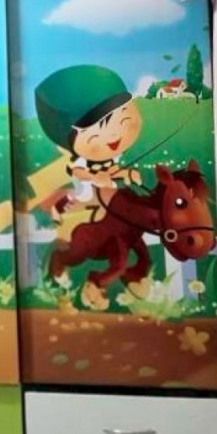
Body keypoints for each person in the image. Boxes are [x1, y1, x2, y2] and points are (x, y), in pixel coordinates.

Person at [35, 65, 144, 310]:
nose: (115, 133)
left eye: (123, 117)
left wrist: (126, 173)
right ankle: (64, 211)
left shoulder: (113, 155)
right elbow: (79, 172)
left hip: (107, 186)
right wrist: (96, 178)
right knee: (83, 194)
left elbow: (114, 169)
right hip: (87, 184)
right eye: (101, 126)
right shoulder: (80, 159)